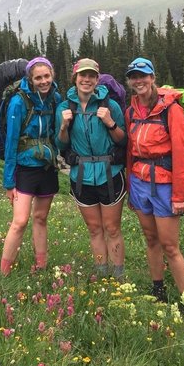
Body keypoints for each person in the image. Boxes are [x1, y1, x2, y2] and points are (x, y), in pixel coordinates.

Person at [124, 57, 184, 302]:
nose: (138, 80)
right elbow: (130, 152)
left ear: (152, 78)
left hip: (164, 186)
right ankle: (158, 291)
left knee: (170, 246)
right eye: (134, 76)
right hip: (140, 184)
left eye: (143, 75)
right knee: (151, 239)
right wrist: (131, 188)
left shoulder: (170, 110)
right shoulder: (131, 111)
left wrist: (179, 196)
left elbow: (182, 154)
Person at [56, 58, 128, 279]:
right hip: (81, 177)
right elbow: (61, 145)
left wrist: (110, 123)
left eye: (91, 76)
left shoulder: (111, 106)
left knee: (113, 229)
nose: (86, 80)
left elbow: (123, 141)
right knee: (95, 229)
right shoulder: (64, 108)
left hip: (110, 174)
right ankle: (101, 274)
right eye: (82, 75)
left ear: (97, 79)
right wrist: (63, 126)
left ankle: (118, 277)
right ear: (75, 78)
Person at [0, 56, 61, 276]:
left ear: (52, 75)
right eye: (38, 78)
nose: (43, 81)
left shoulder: (55, 98)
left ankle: (41, 267)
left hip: (46, 167)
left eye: (46, 76)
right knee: (20, 221)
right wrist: (9, 182)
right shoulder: (19, 102)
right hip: (25, 168)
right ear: (31, 79)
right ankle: (4, 273)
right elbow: (11, 143)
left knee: (41, 218)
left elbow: (57, 133)